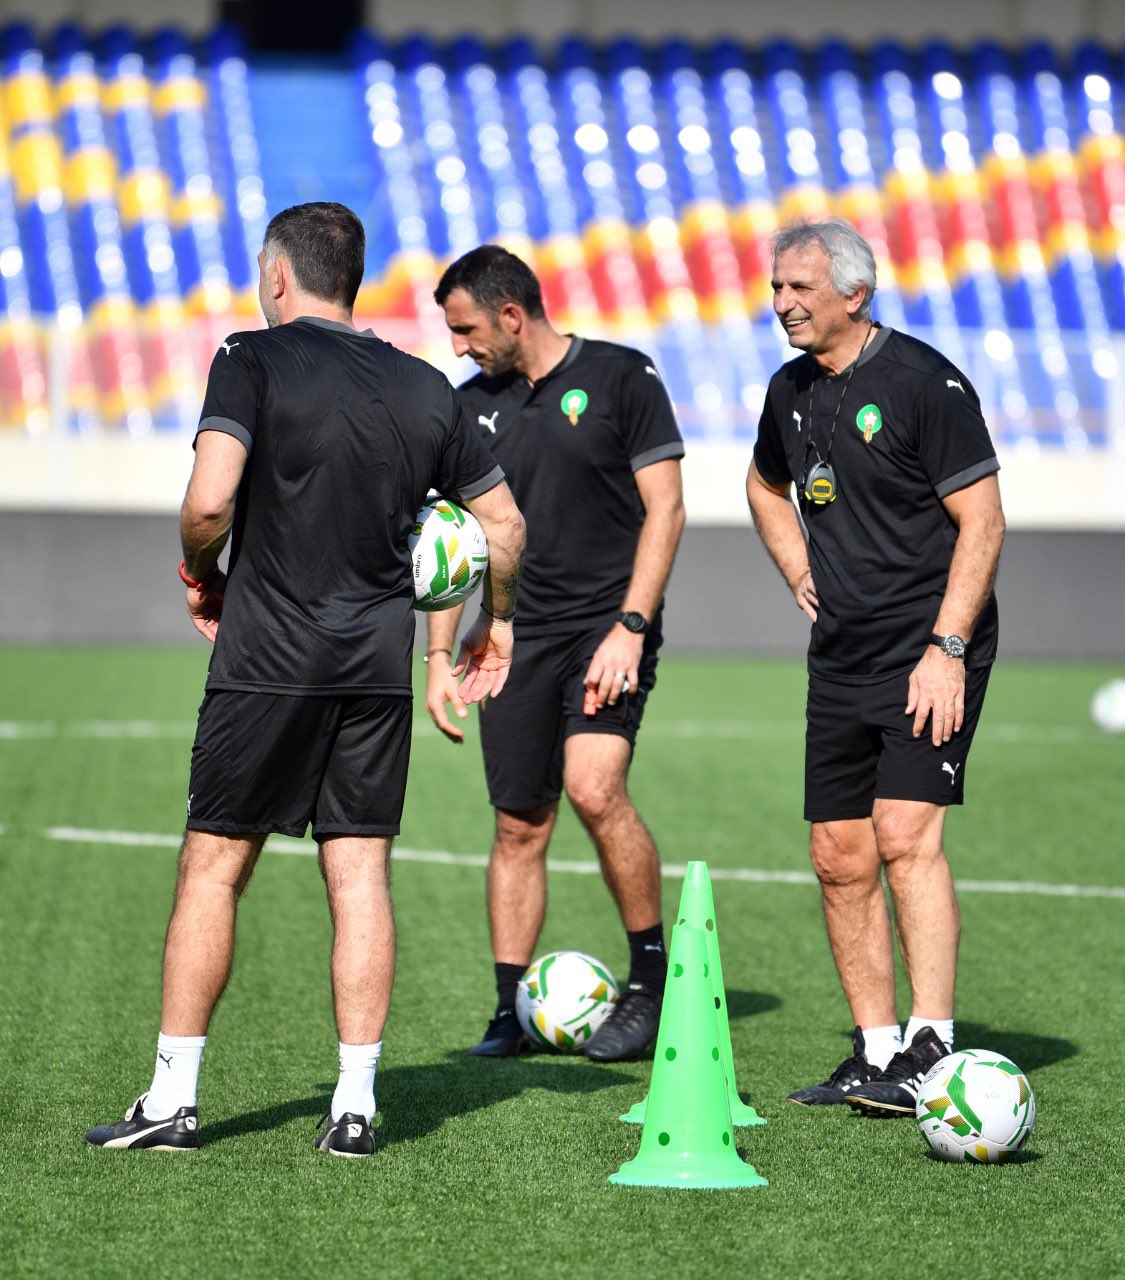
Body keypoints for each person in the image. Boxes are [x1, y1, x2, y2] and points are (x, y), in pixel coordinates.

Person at [85, 202, 526, 1157]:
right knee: (360, 873)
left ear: (276, 275)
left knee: (214, 866)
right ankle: (356, 1106)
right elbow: (507, 528)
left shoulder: (251, 357)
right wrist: (494, 627)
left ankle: (172, 1099)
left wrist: (204, 571)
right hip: (374, 672)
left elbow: (209, 500)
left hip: (266, 661)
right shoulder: (424, 387)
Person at [746, 217, 1005, 1116]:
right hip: (841, 653)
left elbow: (984, 522)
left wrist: (946, 650)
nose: (780, 304)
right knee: (837, 854)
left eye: (798, 289)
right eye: (776, 287)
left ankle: (933, 1043)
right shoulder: (787, 390)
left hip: (926, 647)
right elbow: (762, 484)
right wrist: (797, 568)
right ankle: (874, 1048)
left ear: (853, 295)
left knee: (903, 837)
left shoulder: (922, 383)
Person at [426, 245, 686, 1062]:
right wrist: (443, 651)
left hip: (608, 628)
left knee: (593, 786)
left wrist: (631, 626)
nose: (459, 346)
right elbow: (450, 540)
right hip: (514, 638)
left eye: (466, 329)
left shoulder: (621, 377)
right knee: (517, 826)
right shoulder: (468, 411)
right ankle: (508, 1010)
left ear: (511, 314)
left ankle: (650, 982)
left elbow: (667, 507)